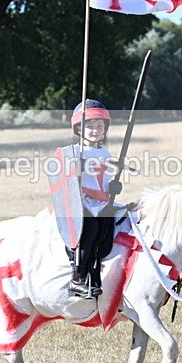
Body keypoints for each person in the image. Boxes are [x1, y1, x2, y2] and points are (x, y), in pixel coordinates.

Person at [66, 99, 122, 298]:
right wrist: (76, 170)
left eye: (99, 126)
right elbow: (65, 181)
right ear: (79, 128)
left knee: (107, 231)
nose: (95, 130)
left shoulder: (105, 153)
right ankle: (77, 278)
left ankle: (96, 277)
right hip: (82, 203)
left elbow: (104, 182)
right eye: (90, 126)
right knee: (90, 230)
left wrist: (113, 187)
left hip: (101, 203)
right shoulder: (75, 152)